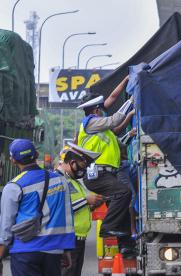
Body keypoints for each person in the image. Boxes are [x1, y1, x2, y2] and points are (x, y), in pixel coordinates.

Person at [76, 79, 135, 255]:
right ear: (96, 110)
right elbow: (115, 119)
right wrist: (131, 101)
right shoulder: (91, 123)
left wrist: (128, 131)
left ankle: (125, 246)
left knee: (122, 207)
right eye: (101, 109)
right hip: (98, 175)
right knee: (124, 193)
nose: (103, 110)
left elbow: (116, 137)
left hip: (107, 174)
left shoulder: (102, 130)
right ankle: (107, 227)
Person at [0, 139, 75, 276]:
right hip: (53, 250)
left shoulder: (13, 187)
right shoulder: (60, 180)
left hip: (24, 252)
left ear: (13, 160)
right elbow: (67, 218)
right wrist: (67, 249)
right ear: (36, 155)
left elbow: (6, 227)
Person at [56, 143, 103, 276]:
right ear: (71, 162)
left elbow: (77, 208)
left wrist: (92, 205)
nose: (83, 170)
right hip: (68, 239)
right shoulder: (58, 180)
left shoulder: (74, 182)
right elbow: (58, 209)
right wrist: (85, 201)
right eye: (82, 166)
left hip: (78, 240)